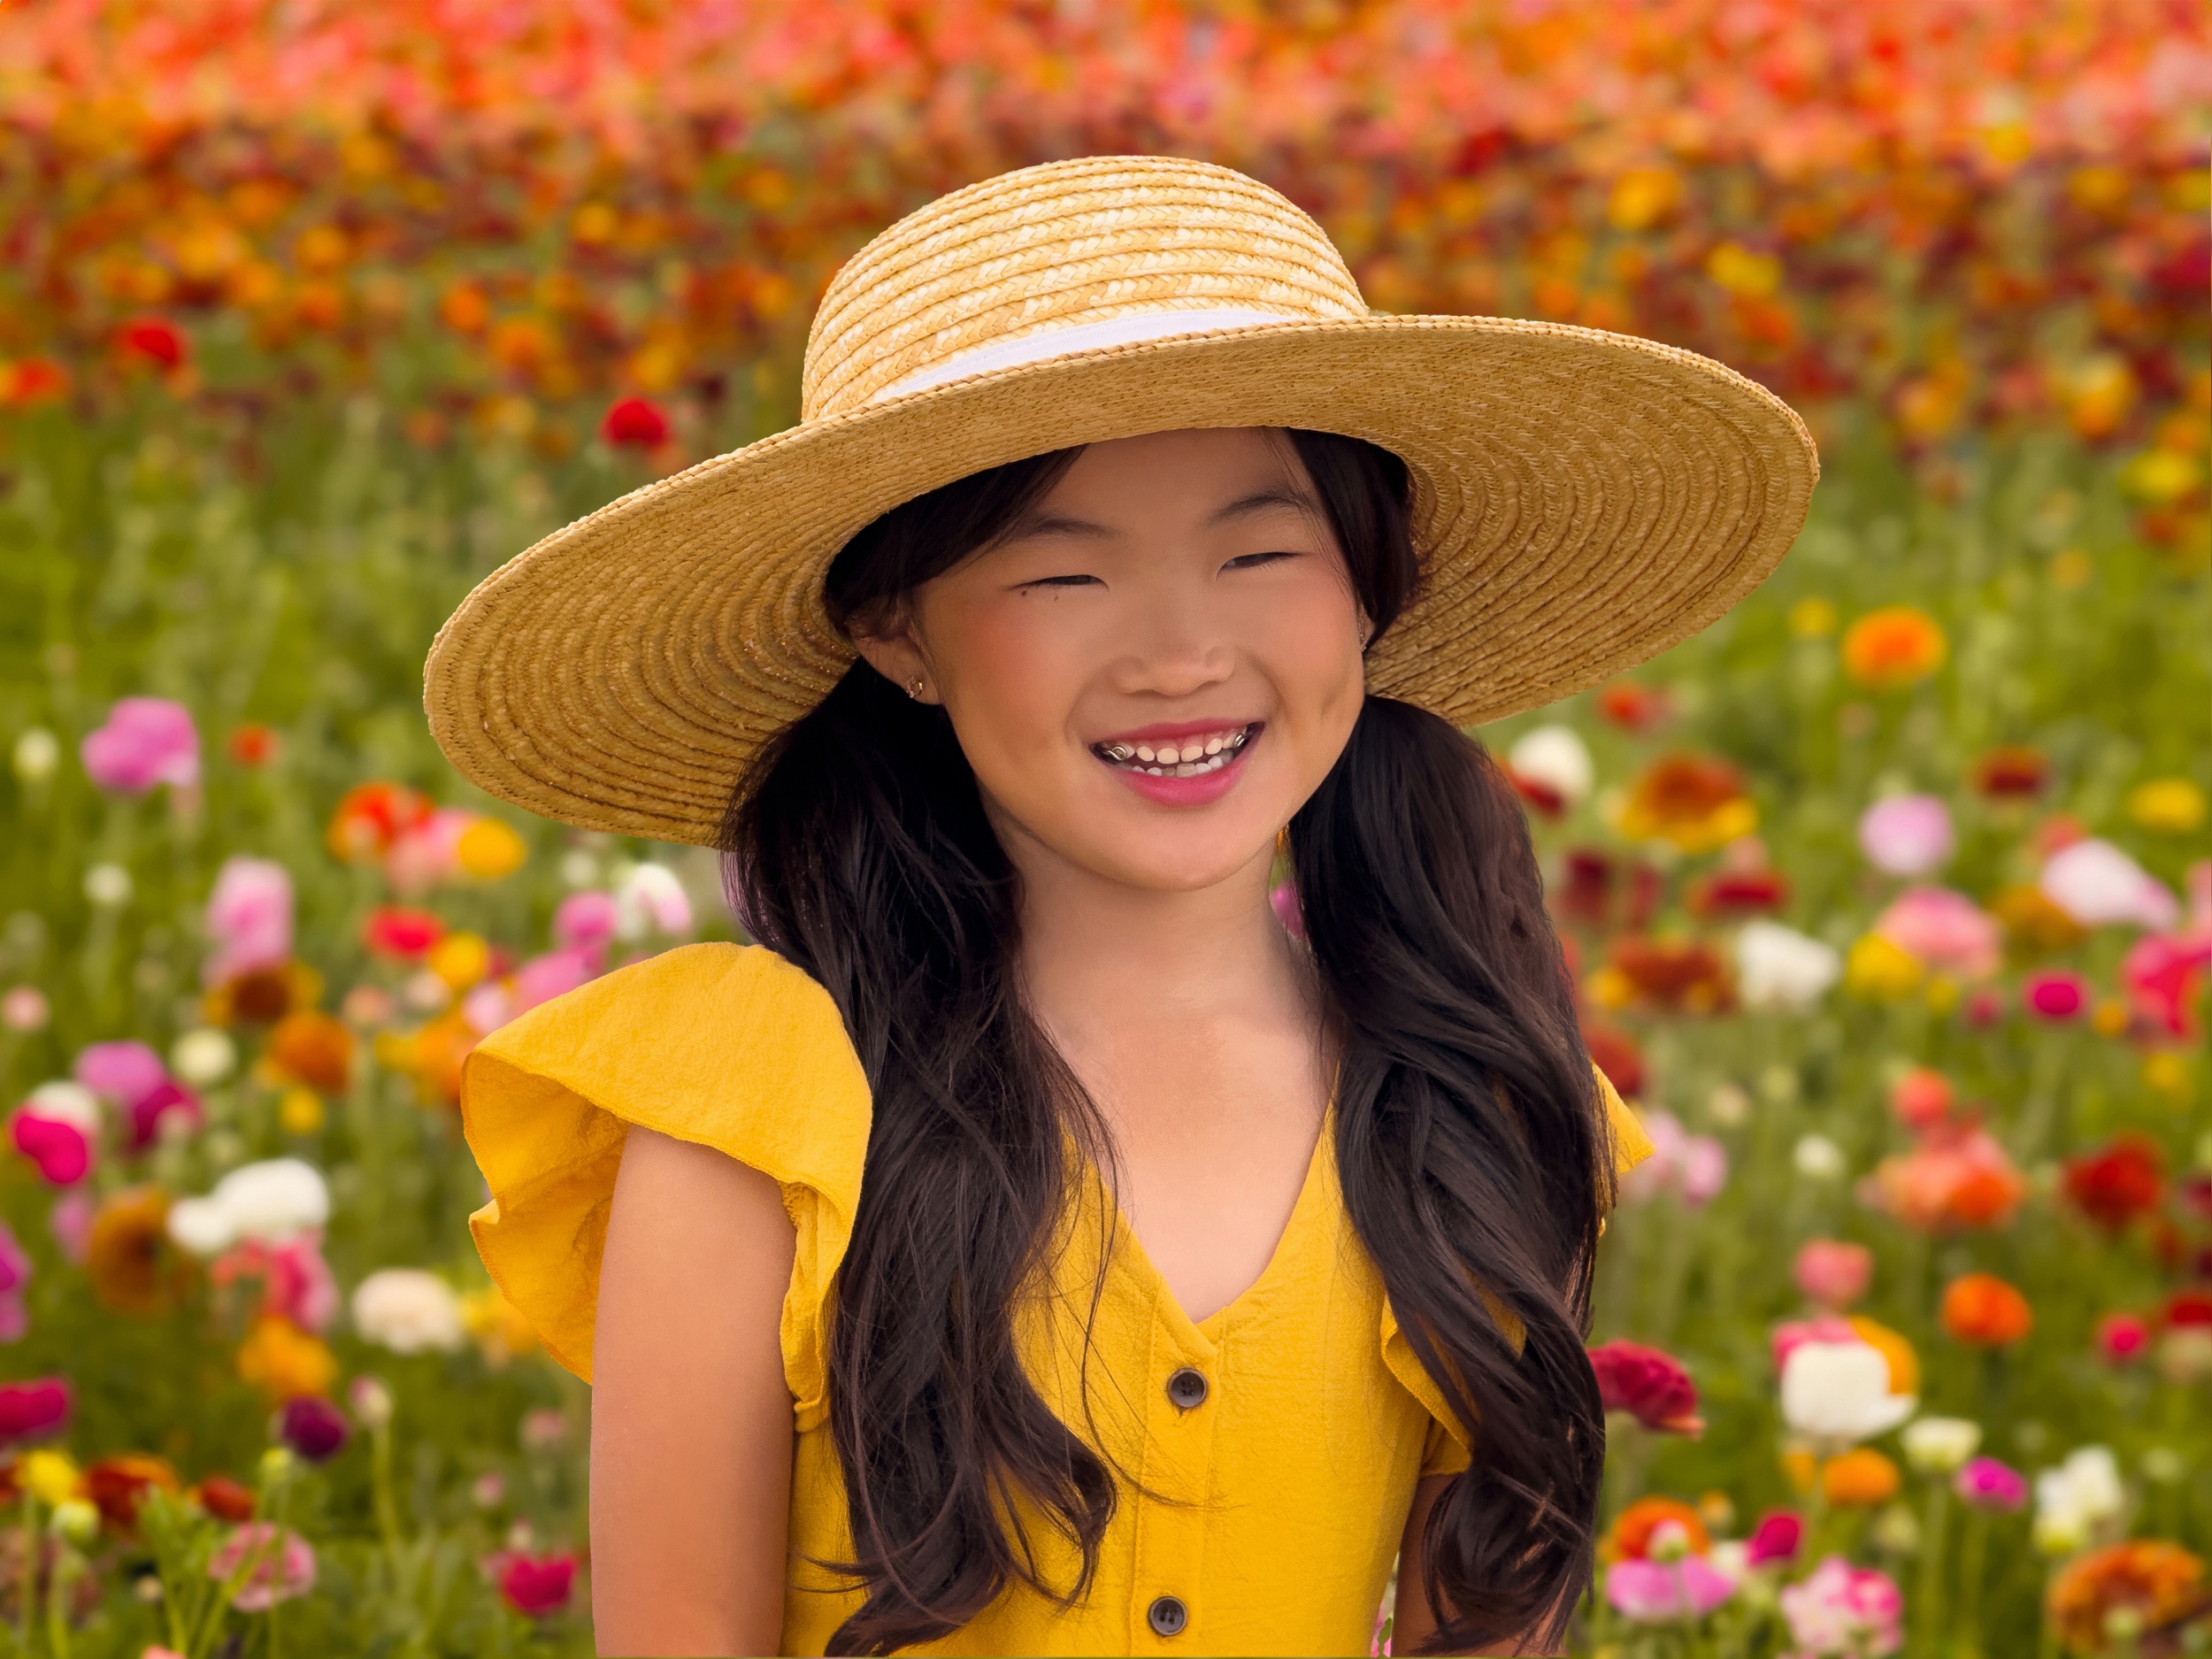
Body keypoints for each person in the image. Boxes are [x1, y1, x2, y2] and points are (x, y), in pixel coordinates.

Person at [427, 156, 1816, 1657]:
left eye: (1260, 551)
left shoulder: (1468, 1091)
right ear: (895, 632)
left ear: (1368, 588)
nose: (1177, 653)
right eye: (1062, 574)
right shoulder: (751, 1111)